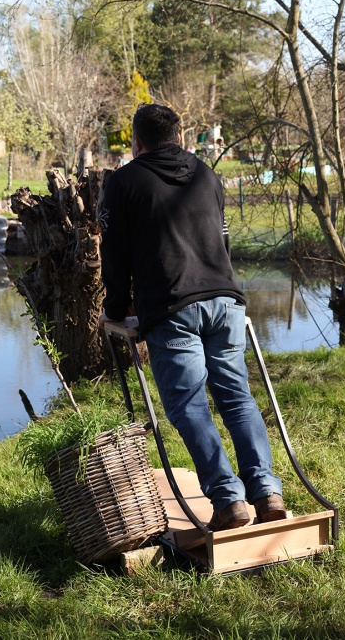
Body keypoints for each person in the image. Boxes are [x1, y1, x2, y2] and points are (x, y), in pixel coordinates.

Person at [99, 103, 286, 531]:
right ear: (180, 138)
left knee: (188, 404)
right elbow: (221, 239)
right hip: (225, 300)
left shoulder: (123, 181)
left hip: (172, 307)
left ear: (137, 142)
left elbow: (114, 253)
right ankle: (266, 491)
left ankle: (228, 501)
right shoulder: (206, 173)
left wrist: (114, 311)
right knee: (237, 397)